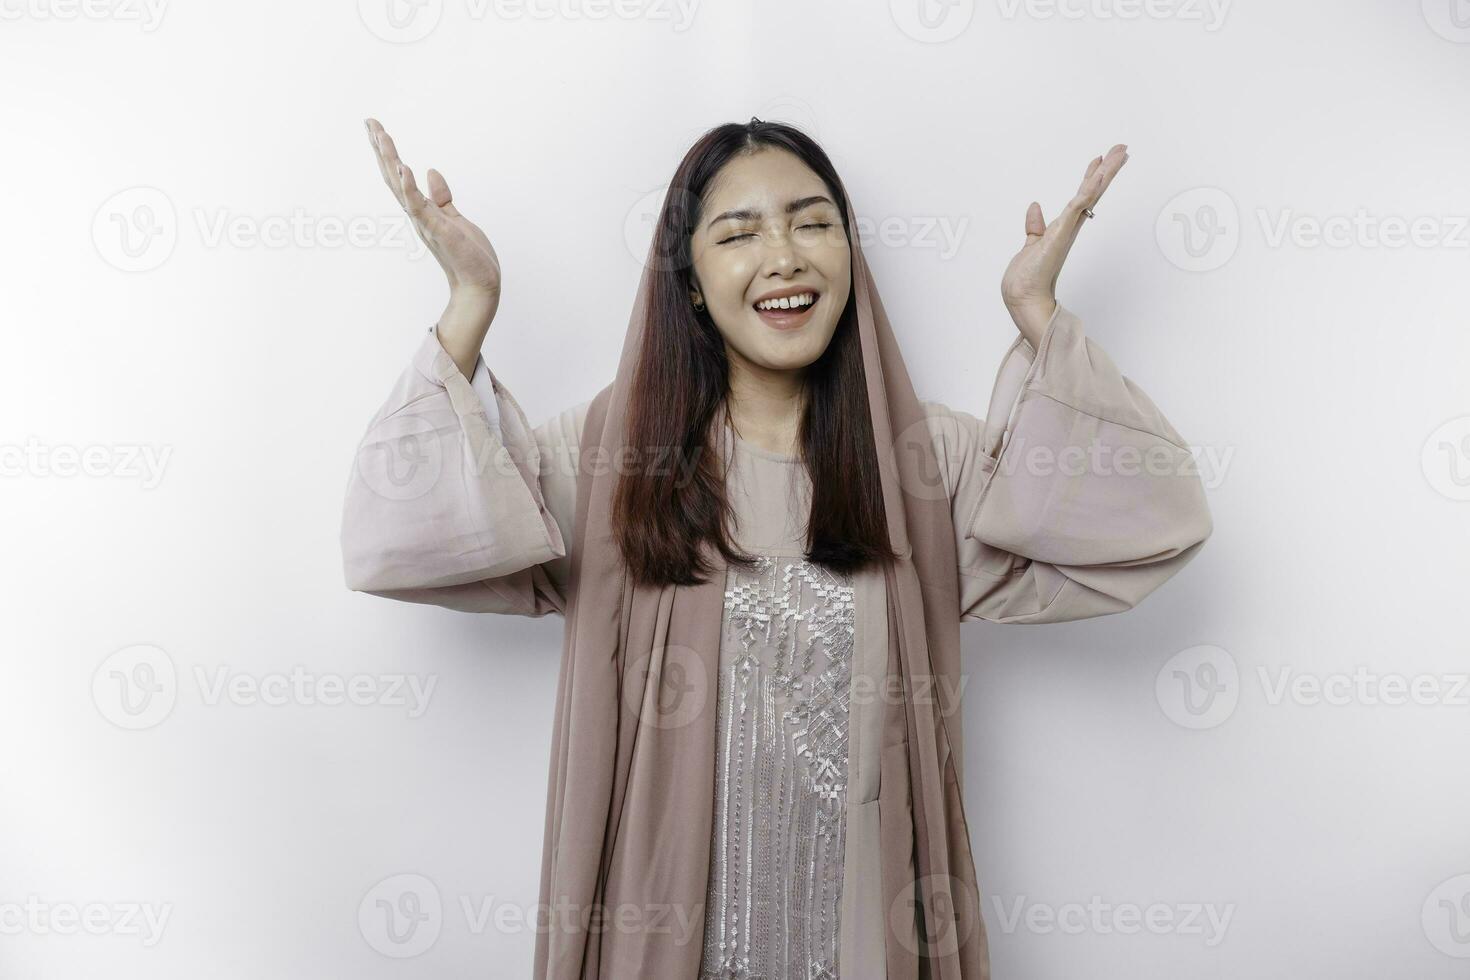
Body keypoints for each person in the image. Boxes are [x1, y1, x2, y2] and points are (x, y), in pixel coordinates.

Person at [340, 117, 1213, 980]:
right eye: (739, 232)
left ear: (849, 255)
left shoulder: (922, 462)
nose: (786, 256)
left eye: (812, 221)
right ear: (689, 280)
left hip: (868, 940)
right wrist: (469, 307)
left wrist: (1038, 314)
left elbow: (1151, 521)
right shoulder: (614, 460)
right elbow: (401, 541)